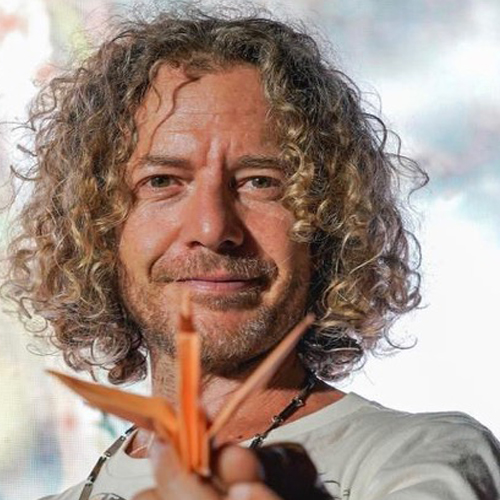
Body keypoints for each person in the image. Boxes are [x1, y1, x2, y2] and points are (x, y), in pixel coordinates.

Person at [3, 6, 500, 500]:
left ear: (328, 219)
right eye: (162, 181)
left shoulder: (418, 460)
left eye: (260, 181)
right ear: (95, 223)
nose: (213, 228)